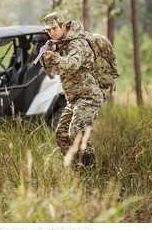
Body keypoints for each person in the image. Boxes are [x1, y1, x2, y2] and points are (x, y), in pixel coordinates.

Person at [41, 12, 106, 169]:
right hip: (75, 99)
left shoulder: (77, 43)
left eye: (54, 28)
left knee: (76, 132)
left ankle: (92, 172)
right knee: (62, 136)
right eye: (48, 31)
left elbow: (72, 64)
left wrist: (55, 57)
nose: (51, 33)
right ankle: (78, 170)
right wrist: (53, 53)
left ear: (63, 26)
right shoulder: (62, 43)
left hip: (89, 96)